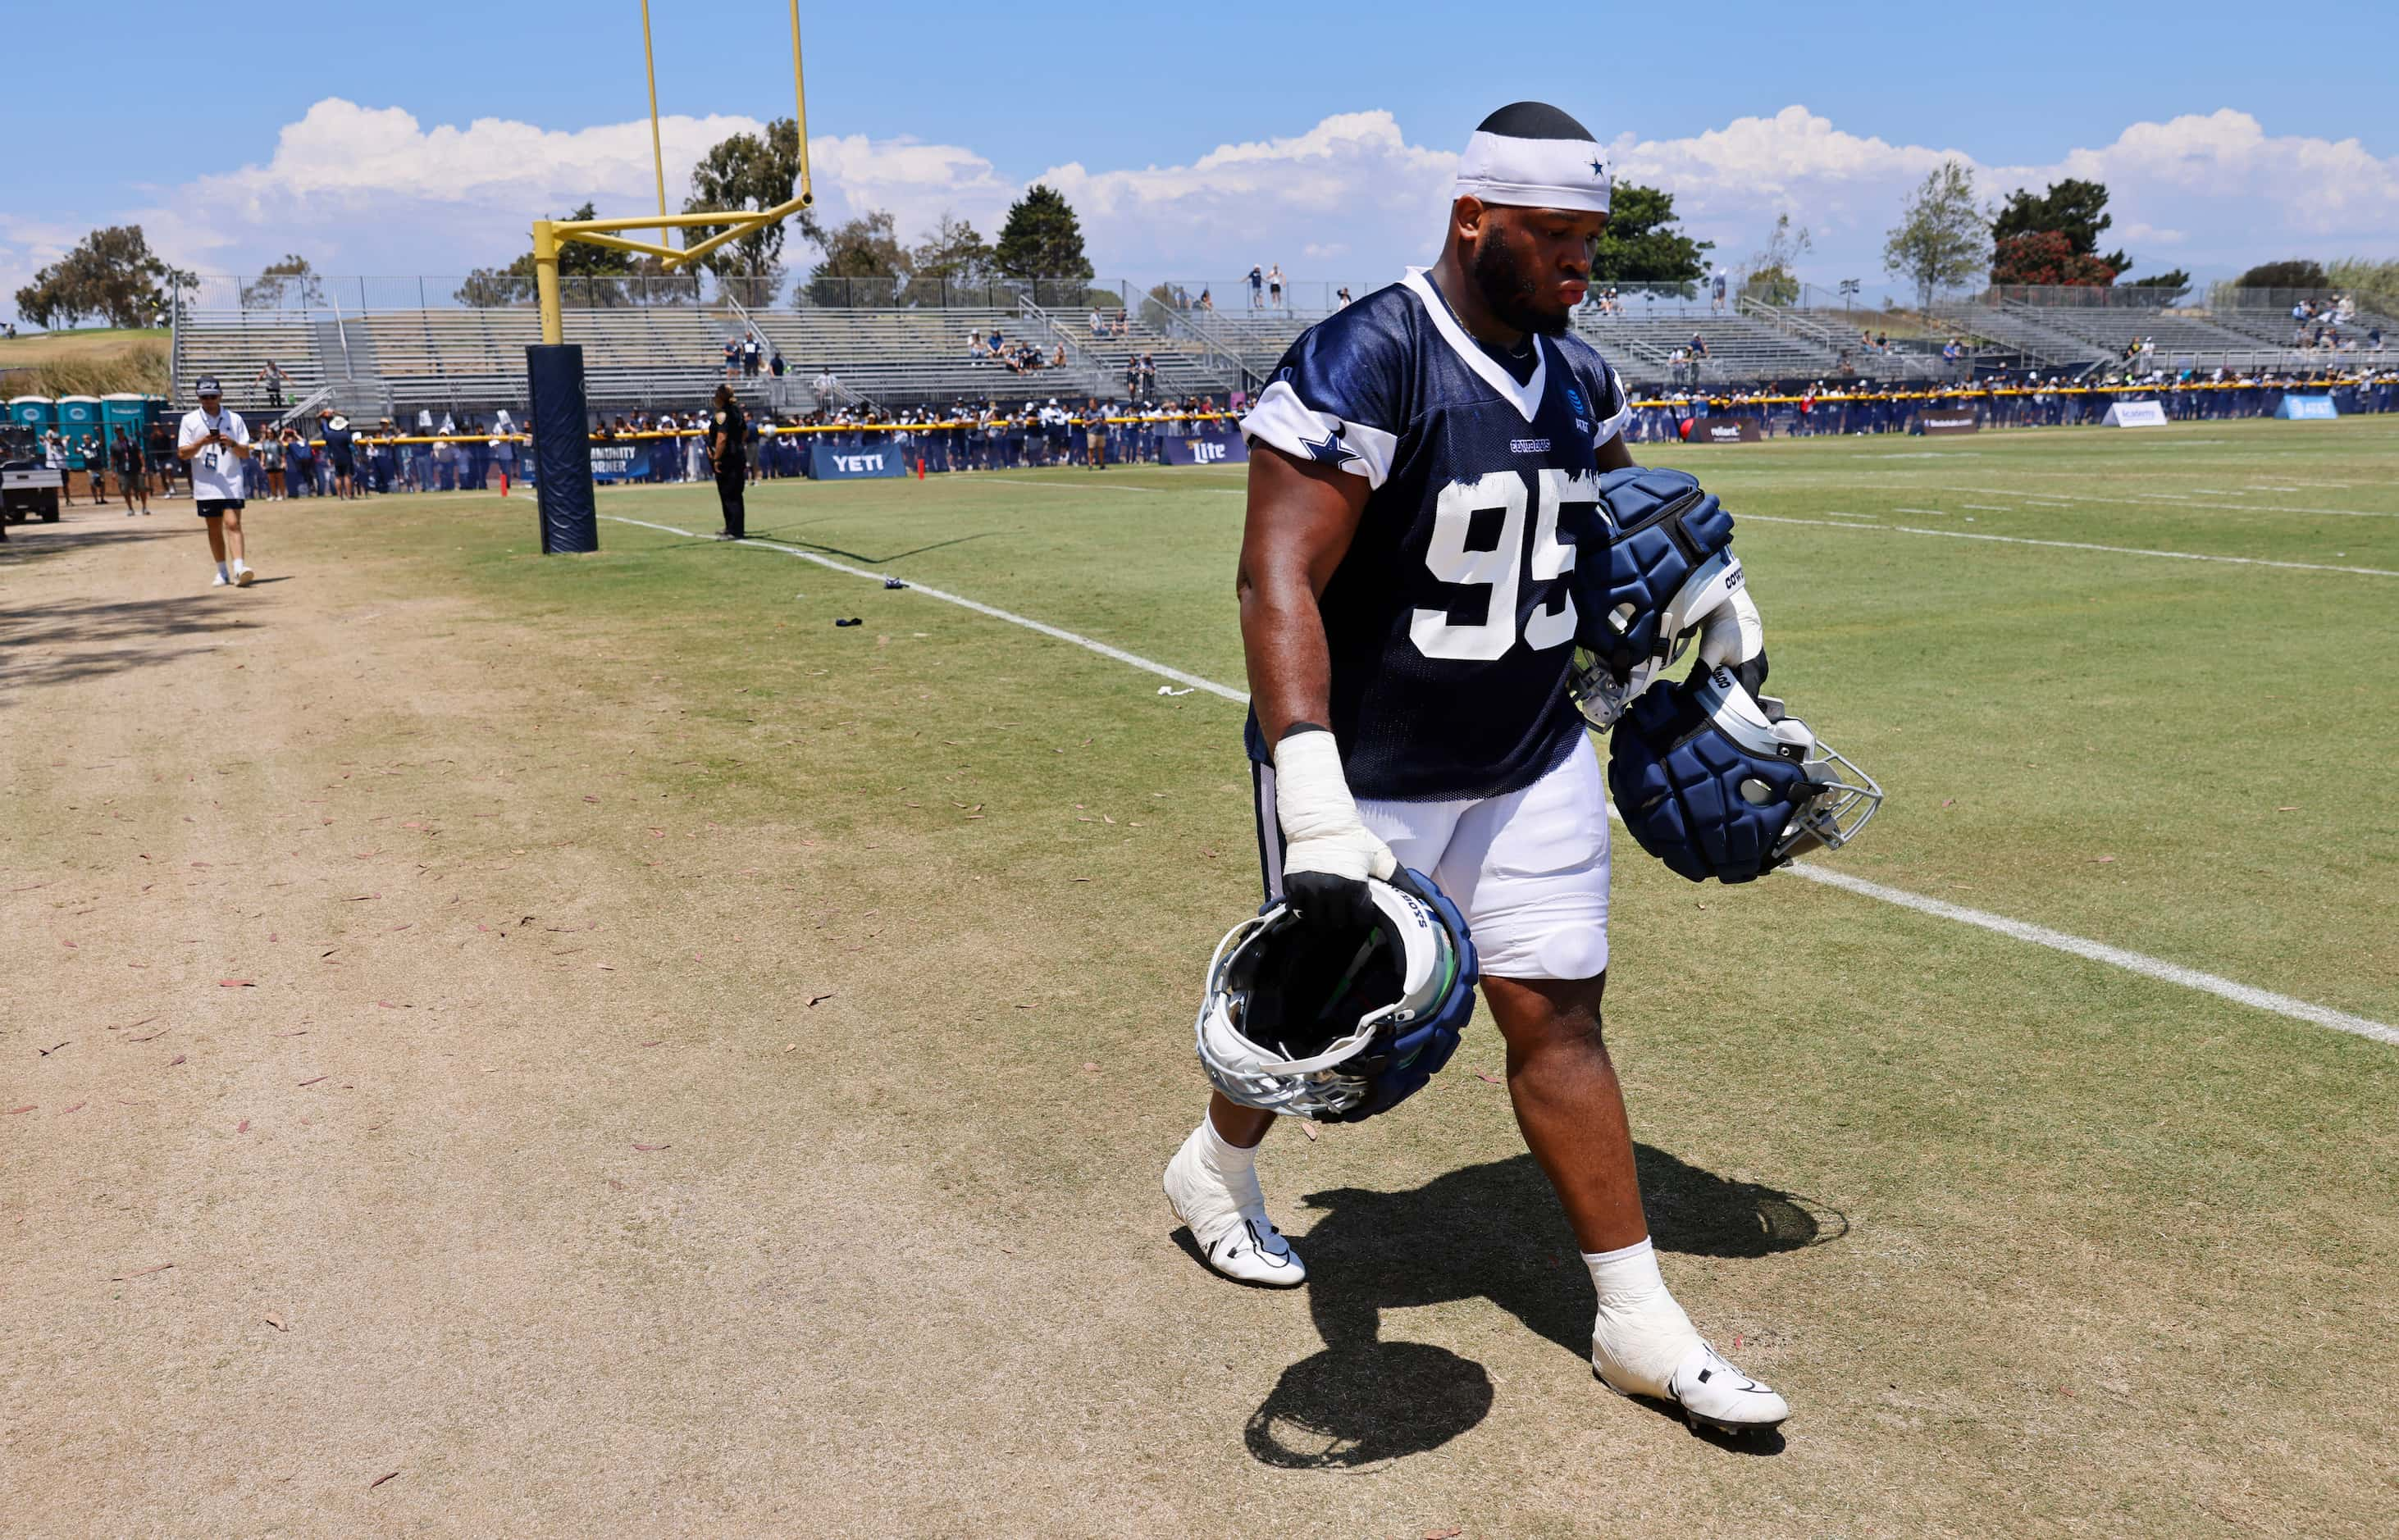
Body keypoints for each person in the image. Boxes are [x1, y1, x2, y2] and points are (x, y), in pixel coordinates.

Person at [1161, 99, 1789, 1436]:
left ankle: (1637, 1319)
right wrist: (1315, 797)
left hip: (1529, 754)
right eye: (1554, 236)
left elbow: (1628, 526)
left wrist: (1711, 596)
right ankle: (1216, 1164)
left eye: (1591, 240)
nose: (1578, 265)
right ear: (1473, 219)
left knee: (1558, 1018)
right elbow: (1275, 575)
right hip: (1367, 766)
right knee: (1315, 1033)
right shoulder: (1364, 358)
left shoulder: (1580, 375)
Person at [176, 377, 256, 587]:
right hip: (205, 484)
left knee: (233, 523)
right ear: (198, 397)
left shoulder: (235, 419)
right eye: (204, 397)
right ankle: (222, 571)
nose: (209, 400)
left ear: (220, 395)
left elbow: (245, 453)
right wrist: (202, 442)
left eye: (213, 396)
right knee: (213, 527)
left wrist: (231, 443)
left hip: (231, 481)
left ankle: (239, 569)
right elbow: (183, 453)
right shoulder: (190, 420)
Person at [706, 384, 747, 540]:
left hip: (727, 458)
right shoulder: (737, 412)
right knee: (734, 493)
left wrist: (717, 457)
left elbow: (721, 438)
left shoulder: (722, 414)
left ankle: (735, 531)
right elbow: (745, 432)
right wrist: (737, 446)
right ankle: (731, 527)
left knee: (729, 494)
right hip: (737, 455)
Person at [320, 409, 358, 499]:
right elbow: (351, 446)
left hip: (335, 457)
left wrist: (329, 457)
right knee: (347, 476)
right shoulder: (346, 434)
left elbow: (327, 447)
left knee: (338, 476)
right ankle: (349, 495)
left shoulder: (329, 435)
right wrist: (356, 454)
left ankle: (340, 496)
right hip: (346, 456)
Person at [112, 427, 151, 515]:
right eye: (118, 431)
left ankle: (144, 507)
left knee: (142, 487)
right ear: (116, 432)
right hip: (123, 470)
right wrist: (113, 472)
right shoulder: (114, 444)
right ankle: (130, 508)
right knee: (125, 489)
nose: (120, 432)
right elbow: (113, 459)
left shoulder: (132, 441)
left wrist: (143, 466)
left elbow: (140, 454)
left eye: (121, 430)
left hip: (136, 468)